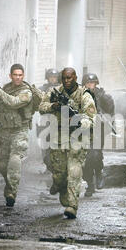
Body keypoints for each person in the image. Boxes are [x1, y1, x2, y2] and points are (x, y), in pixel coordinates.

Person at [39, 68, 97, 219]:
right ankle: (63, 190)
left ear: (76, 78)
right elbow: (41, 107)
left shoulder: (84, 95)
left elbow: (91, 119)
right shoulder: (55, 92)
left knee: (74, 171)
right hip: (58, 136)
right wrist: (54, 106)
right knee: (59, 174)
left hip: (77, 138)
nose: (67, 81)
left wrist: (77, 121)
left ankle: (72, 205)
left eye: (70, 78)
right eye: (64, 78)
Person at [0, 64, 34, 207]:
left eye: (20, 75)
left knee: (14, 160)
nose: (18, 77)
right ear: (10, 76)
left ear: (23, 76)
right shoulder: (7, 88)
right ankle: (10, 183)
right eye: (15, 75)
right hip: (3, 131)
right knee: (1, 164)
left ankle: (11, 192)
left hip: (19, 131)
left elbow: (14, 102)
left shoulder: (26, 91)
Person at [81, 73, 115, 197]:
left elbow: (111, 116)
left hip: (97, 130)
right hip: (83, 130)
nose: (90, 85)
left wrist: (103, 120)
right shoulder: (79, 95)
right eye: (88, 83)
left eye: (93, 83)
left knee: (95, 155)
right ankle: (90, 184)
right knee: (84, 160)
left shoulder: (103, 97)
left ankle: (99, 172)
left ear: (96, 84)